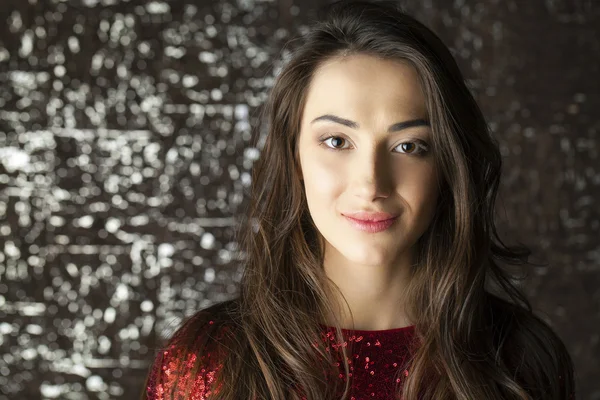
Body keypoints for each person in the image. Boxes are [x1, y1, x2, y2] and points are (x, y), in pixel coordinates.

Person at [141, 1, 576, 399]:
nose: (371, 184)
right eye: (336, 140)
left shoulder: (521, 361)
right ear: (295, 158)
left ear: (448, 165)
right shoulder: (209, 361)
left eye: (409, 146)